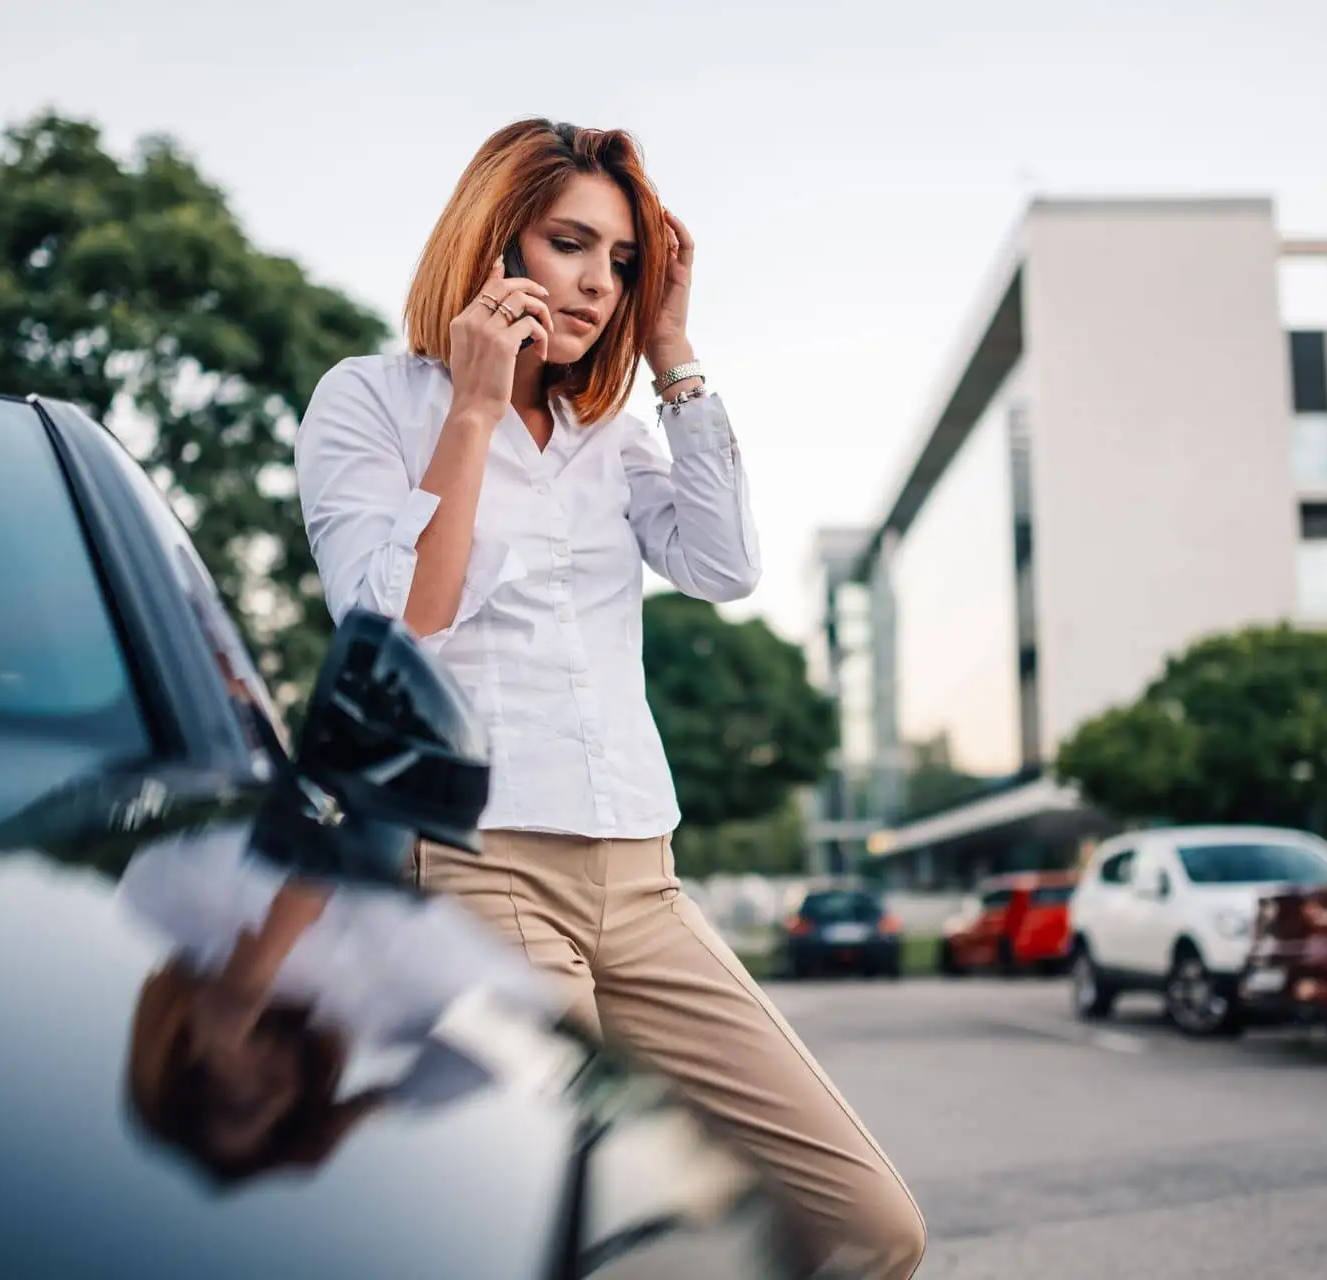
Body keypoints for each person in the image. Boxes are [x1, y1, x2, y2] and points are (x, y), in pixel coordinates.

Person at [294, 118, 925, 1278]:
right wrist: (475, 412)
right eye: (570, 243)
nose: (598, 281)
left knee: (872, 1226)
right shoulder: (372, 402)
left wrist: (675, 350)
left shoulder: (612, 436)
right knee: (562, 1236)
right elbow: (398, 627)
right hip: (480, 866)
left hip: (643, 877)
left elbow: (725, 566)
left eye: (623, 260)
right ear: (495, 242)